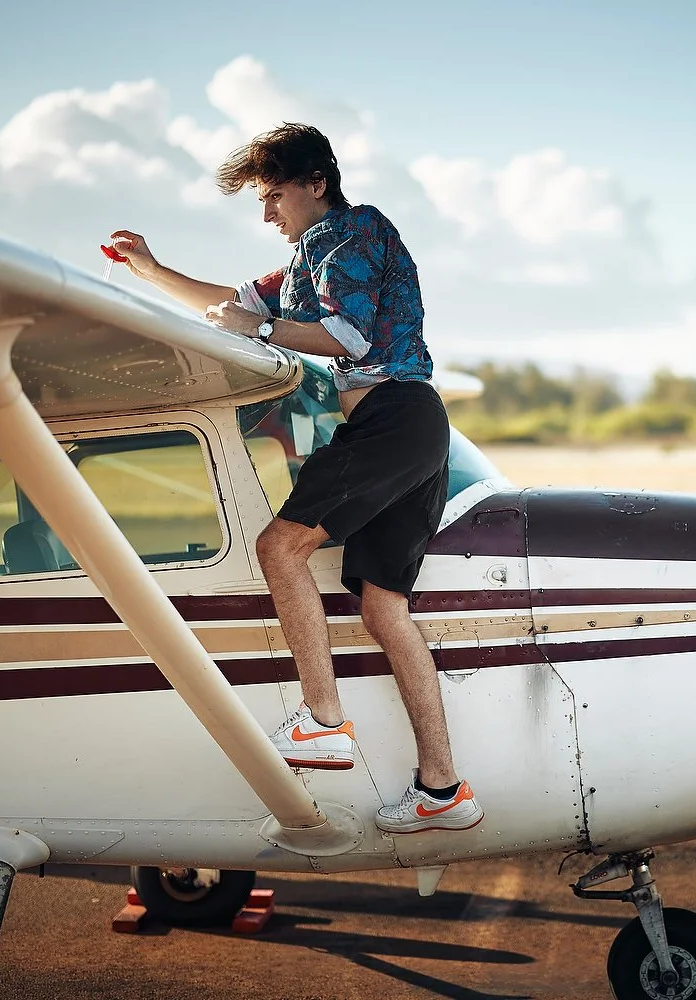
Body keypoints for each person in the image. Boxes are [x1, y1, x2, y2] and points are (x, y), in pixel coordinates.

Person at [109, 122, 481, 835]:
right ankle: (443, 792)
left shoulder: (348, 233)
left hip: (392, 420)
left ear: (317, 183)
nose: (267, 213)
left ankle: (321, 722)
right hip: (413, 425)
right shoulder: (313, 258)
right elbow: (233, 301)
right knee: (383, 612)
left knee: (279, 548)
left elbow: (347, 340)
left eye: (274, 195)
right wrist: (152, 271)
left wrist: (259, 329)